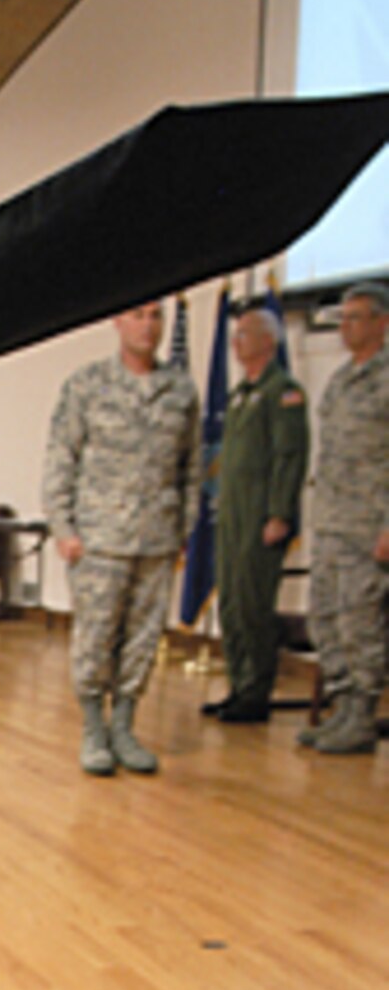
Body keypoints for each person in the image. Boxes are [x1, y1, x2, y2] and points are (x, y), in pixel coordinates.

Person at [42, 303, 201, 775]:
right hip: (99, 539)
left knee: (142, 640)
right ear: (116, 320)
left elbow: (191, 469)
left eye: (155, 316)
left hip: (156, 538)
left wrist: (184, 529)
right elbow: (60, 459)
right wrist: (63, 528)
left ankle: (125, 728)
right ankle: (94, 730)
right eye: (137, 315)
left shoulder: (180, 391)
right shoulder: (88, 385)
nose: (147, 326)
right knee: (95, 638)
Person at [296, 283, 389, 756]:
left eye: (355, 317)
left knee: (361, 623)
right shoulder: (339, 379)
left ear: (382, 322)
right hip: (332, 521)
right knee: (326, 619)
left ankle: (363, 713)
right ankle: (342, 705)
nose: (345, 325)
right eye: (343, 317)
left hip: (368, 526)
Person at [204, 305, 309, 723]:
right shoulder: (240, 394)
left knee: (253, 605)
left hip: (261, 517)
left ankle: (256, 691)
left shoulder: (283, 392)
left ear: (269, 340)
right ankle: (237, 683)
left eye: (245, 333)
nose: (236, 342)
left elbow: (289, 456)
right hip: (232, 514)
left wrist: (280, 513)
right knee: (230, 603)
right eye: (235, 334)